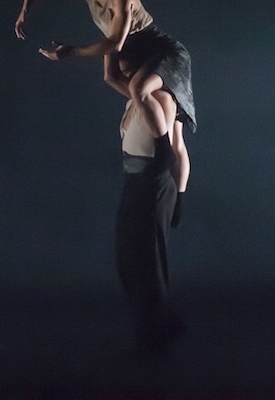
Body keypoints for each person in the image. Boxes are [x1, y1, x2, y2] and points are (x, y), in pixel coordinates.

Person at [14, 0, 196, 175]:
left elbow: (115, 44)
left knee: (143, 95)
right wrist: (24, 12)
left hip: (160, 51)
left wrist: (72, 52)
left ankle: (164, 153)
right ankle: (153, 113)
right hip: (128, 48)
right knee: (110, 76)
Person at [105, 57, 186, 353]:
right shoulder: (133, 101)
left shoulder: (162, 99)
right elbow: (109, 75)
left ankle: (156, 333)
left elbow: (177, 151)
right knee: (127, 258)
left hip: (154, 183)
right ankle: (159, 324)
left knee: (148, 262)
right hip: (134, 183)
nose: (125, 71)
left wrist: (181, 196)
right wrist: (107, 47)